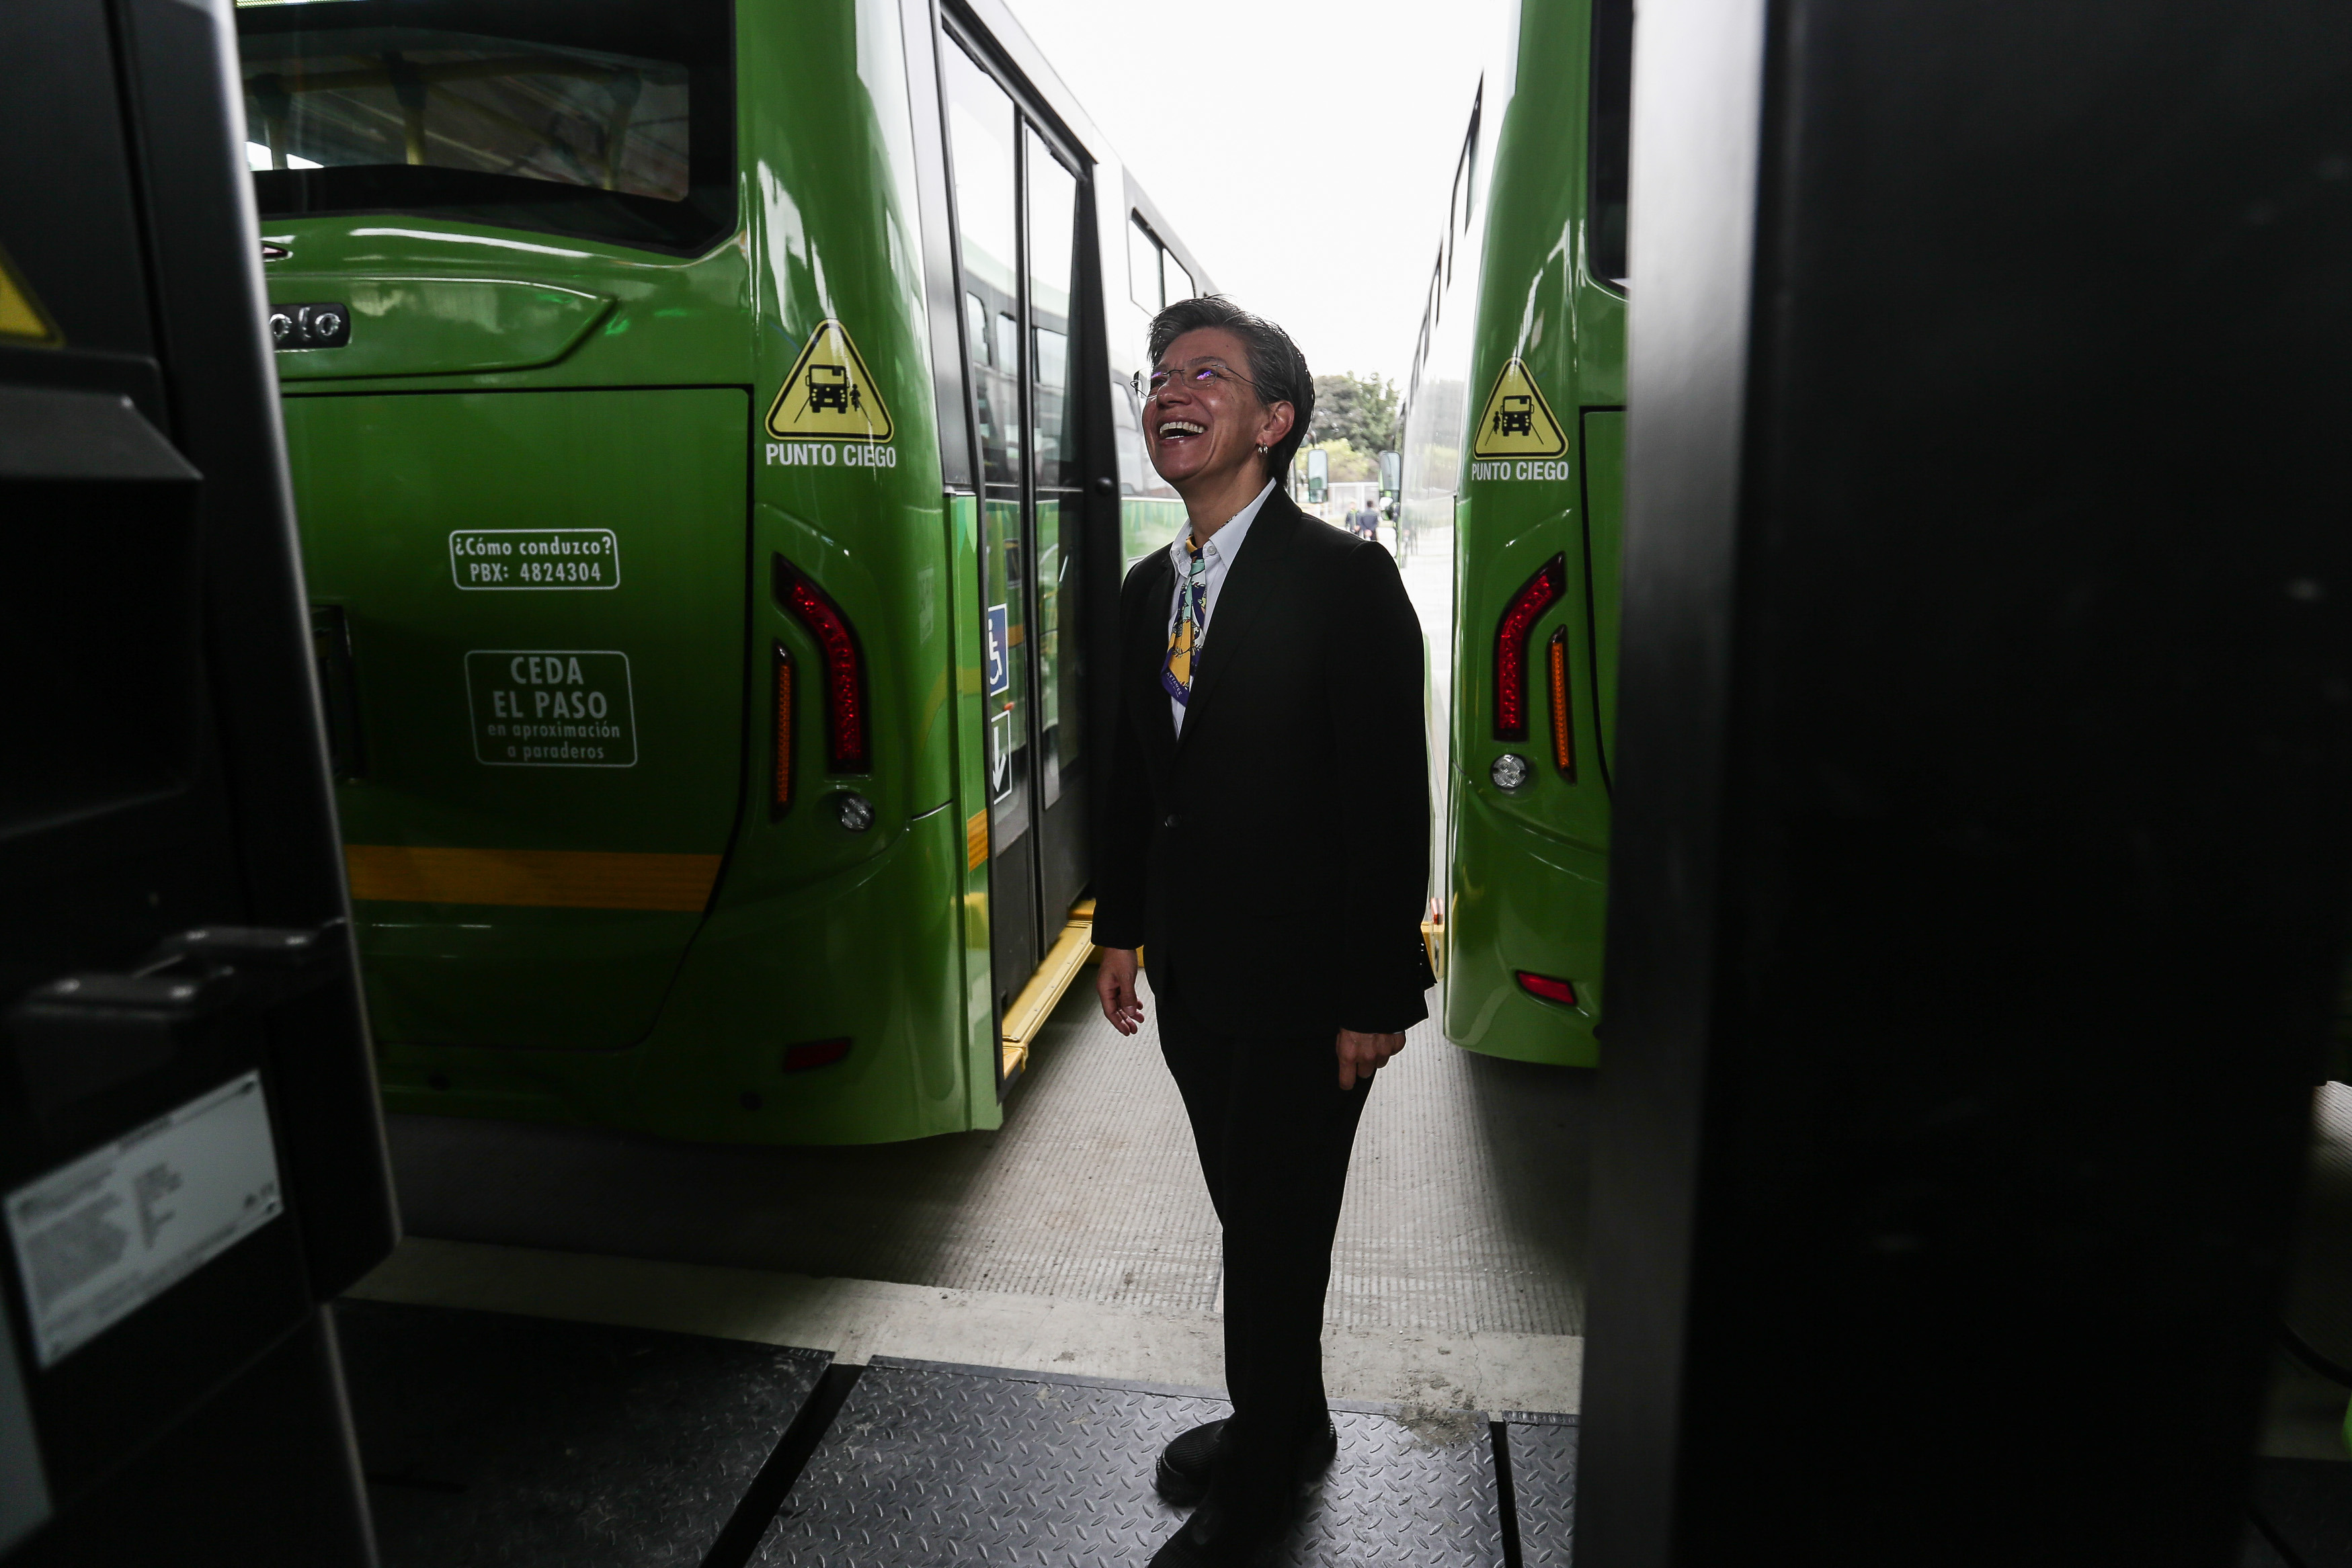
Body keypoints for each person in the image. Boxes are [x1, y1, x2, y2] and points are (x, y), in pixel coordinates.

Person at [1094, 296, 1433, 1567]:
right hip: (1195, 975)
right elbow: (1140, 783)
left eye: (1208, 376)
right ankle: (1299, 1405)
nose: (1170, 391)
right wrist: (1120, 930)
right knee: (1258, 1209)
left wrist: (1376, 992)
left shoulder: (1345, 582)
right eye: (1161, 374)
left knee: (1280, 1218)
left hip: (1305, 985)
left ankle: (1267, 1454)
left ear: (1275, 423)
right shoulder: (1146, 592)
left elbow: (1389, 801)